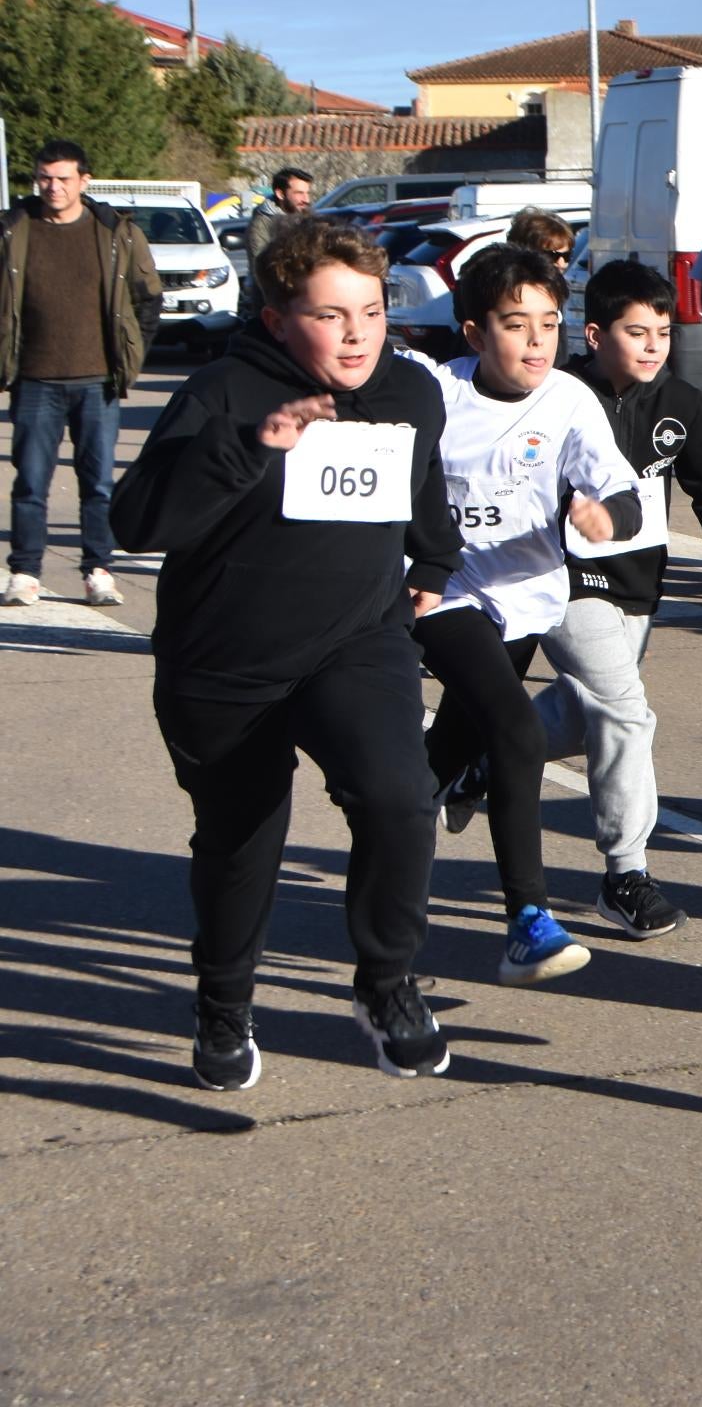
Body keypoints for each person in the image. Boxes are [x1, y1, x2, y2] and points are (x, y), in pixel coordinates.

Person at [113, 218, 460, 1087]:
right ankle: (224, 1007)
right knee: (241, 842)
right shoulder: (223, 392)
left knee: (399, 798)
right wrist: (247, 447)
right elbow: (138, 522)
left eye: (372, 312)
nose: (357, 334)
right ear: (277, 319)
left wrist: (435, 560)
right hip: (225, 661)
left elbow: (420, 491)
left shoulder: (411, 391)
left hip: (356, 642)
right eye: (331, 316)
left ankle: (386, 986)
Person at [415, 245, 643, 985]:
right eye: (517, 325)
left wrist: (603, 513)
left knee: (448, 750)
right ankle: (527, 922)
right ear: (476, 333)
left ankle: (389, 827)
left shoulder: (570, 400)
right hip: (444, 594)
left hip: (526, 599)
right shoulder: (435, 394)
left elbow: (622, 492)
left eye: (550, 322)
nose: (538, 340)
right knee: (512, 729)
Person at [544, 261, 702, 938]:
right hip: (561, 577)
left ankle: (479, 754)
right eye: (636, 333)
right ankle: (626, 874)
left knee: (585, 714)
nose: (653, 345)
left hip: (638, 583)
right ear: (596, 332)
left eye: (662, 332)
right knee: (628, 714)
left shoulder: (680, 403)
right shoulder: (558, 394)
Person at [2, 140, 161, 607]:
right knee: (31, 480)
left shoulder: (115, 233)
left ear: (84, 181)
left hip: (97, 380)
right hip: (34, 379)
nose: (52, 187)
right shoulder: (14, 229)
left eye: (63, 179)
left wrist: (131, 354)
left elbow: (148, 297)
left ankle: (98, 570)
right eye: (45, 178)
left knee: (97, 482)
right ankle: (26, 573)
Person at [238, 167, 313, 313]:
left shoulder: (306, 218)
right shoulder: (261, 225)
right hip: (276, 306)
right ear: (280, 194)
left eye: (307, 193)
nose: (306, 200)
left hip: (307, 299)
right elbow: (261, 270)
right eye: (299, 193)